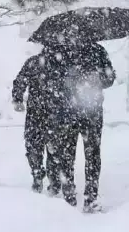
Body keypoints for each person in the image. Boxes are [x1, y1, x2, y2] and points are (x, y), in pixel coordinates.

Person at [50, 41, 115, 212]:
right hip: (69, 113)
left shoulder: (97, 51)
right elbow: (51, 79)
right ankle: (70, 198)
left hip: (88, 112)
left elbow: (110, 79)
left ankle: (89, 198)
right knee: (68, 156)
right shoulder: (62, 51)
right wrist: (69, 83)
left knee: (89, 155)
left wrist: (95, 79)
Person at [12, 49, 62, 195]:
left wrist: (18, 98)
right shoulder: (61, 63)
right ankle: (53, 181)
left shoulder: (34, 62)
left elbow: (20, 80)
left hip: (36, 112)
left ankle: (38, 174)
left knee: (34, 146)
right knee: (54, 148)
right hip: (55, 113)